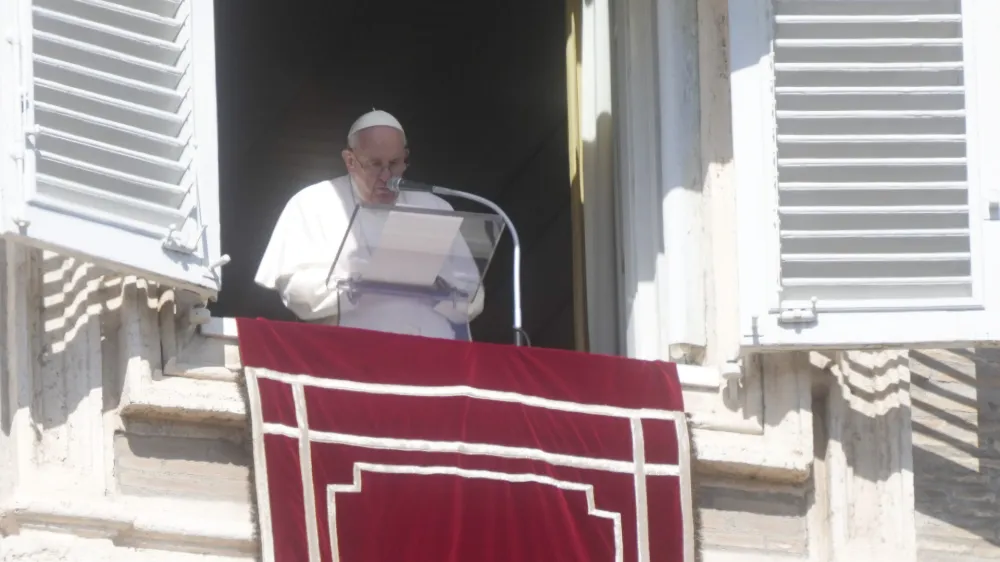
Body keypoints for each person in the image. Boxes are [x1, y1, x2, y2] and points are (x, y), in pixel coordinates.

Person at [254, 109, 485, 340]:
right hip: (350, 354)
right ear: (350, 161)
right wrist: (358, 282)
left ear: (405, 157)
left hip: (431, 353)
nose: (387, 176)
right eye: (375, 164)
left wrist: (437, 290)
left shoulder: (436, 208)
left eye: (394, 163)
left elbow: (474, 296)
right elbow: (296, 292)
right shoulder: (313, 203)